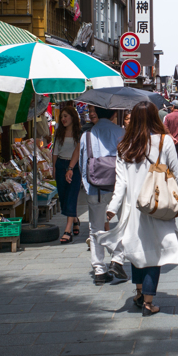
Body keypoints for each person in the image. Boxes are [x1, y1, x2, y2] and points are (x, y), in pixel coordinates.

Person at [101, 102, 178, 315]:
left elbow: (121, 183)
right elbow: (177, 175)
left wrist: (113, 207)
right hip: (158, 204)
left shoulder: (125, 145)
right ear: (155, 118)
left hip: (133, 208)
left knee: (137, 249)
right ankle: (148, 302)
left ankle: (140, 292)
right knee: (155, 252)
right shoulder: (164, 142)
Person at [80, 106, 126, 284]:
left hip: (95, 187)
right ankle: (117, 258)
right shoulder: (121, 132)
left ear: (96, 114)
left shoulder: (87, 135)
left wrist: (87, 185)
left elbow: (83, 164)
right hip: (118, 188)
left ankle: (99, 269)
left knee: (95, 227)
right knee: (124, 225)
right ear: (114, 113)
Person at [52, 105, 83, 244]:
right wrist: (53, 167)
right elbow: (55, 151)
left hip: (74, 168)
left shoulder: (79, 133)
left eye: (66, 116)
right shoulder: (59, 133)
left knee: (71, 196)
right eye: (62, 117)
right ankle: (75, 219)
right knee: (63, 197)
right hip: (60, 165)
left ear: (72, 117)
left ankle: (67, 230)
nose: (63, 119)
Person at [163, 101, 178, 172]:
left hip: (171, 141)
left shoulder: (168, 116)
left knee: (170, 158)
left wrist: (171, 137)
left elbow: (165, 128)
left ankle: (171, 173)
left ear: (173, 106)